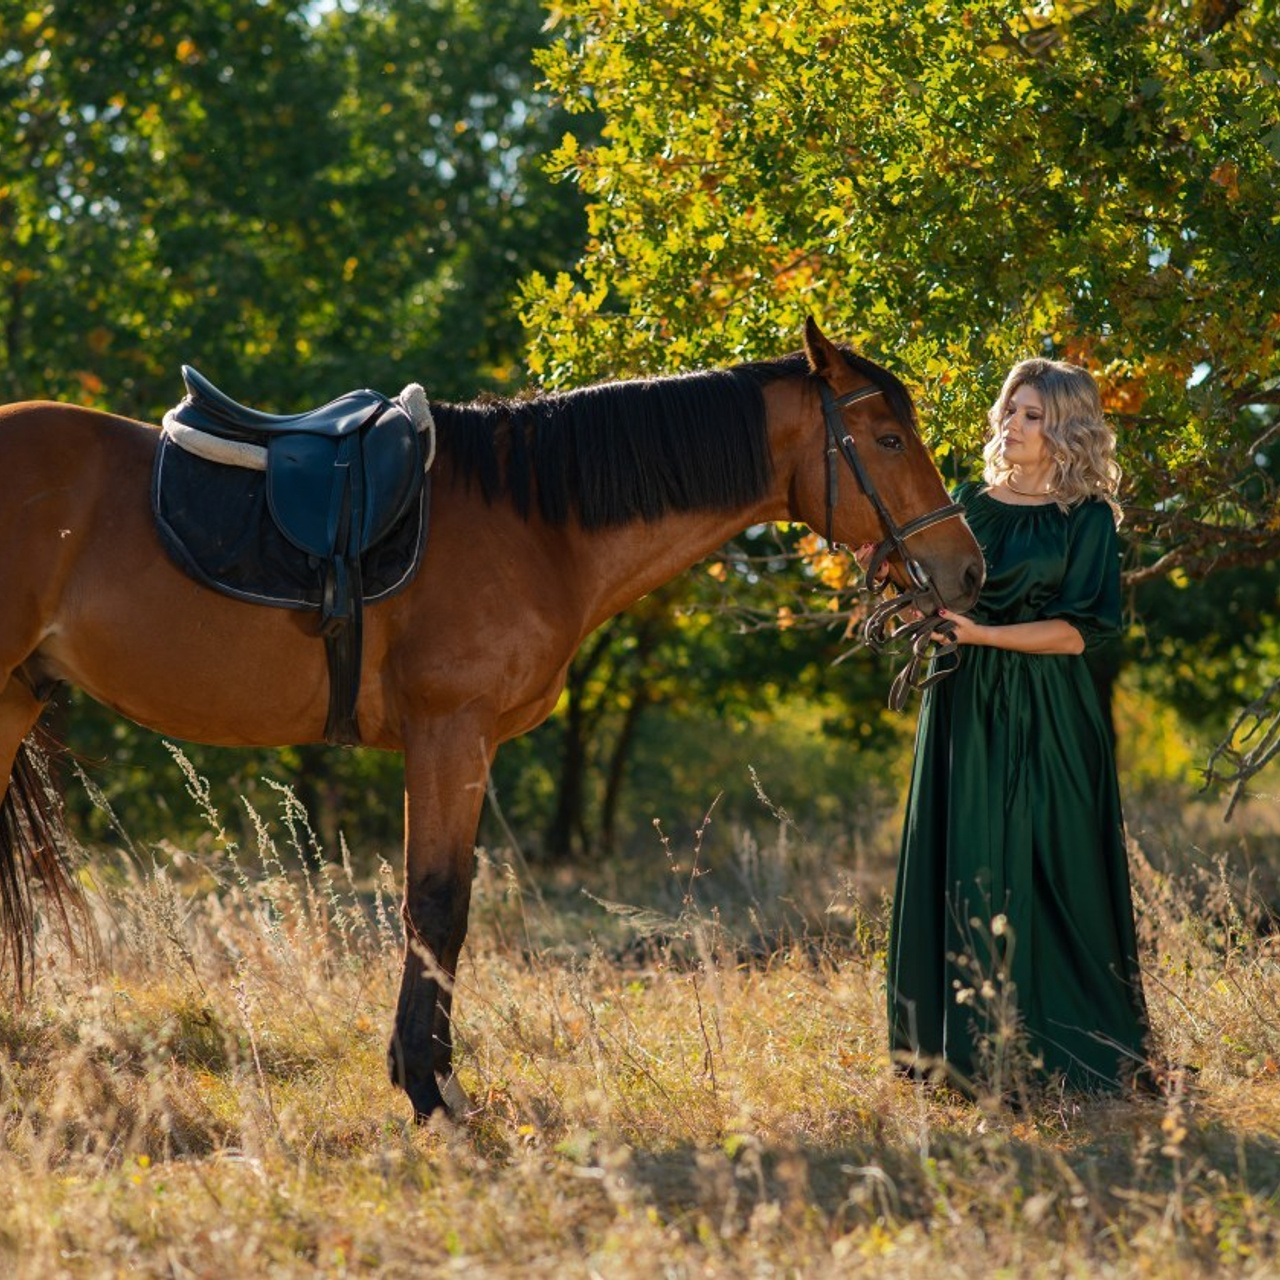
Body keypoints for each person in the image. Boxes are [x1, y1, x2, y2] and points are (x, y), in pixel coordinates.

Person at [878, 357, 1151, 1095]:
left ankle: (1069, 1058)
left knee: (1052, 871)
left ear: (1066, 427)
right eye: (1011, 409)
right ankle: (958, 1058)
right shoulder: (967, 500)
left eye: (1034, 415)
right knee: (964, 866)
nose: (1015, 424)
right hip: (963, 705)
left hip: (1050, 713)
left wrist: (980, 636)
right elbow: (944, 594)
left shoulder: (1085, 517)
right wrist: (919, 614)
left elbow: (1079, 632)